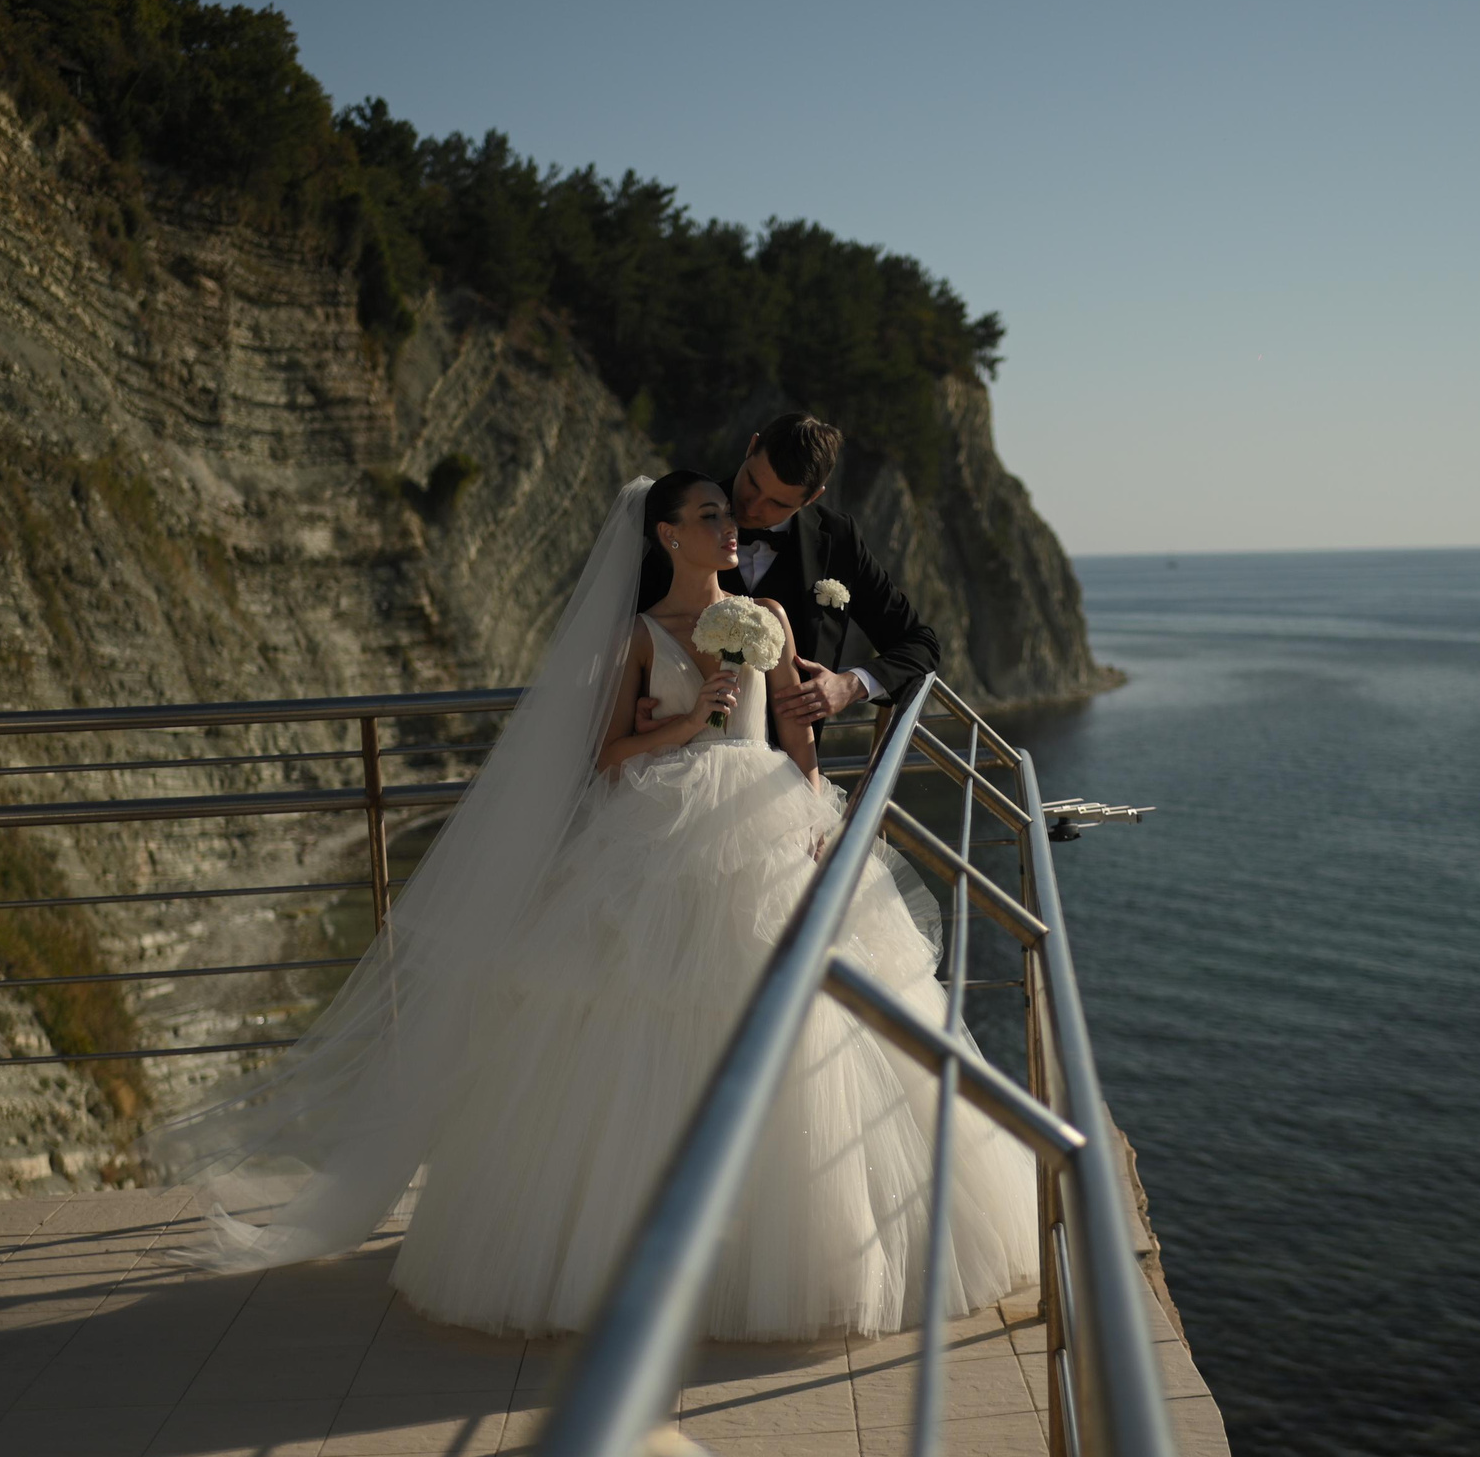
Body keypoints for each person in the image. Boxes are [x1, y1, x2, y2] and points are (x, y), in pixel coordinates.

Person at [148, 473, 1035, 1340]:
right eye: (710, 516)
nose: (731, 526)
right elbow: (608, 754)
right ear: (668, 535)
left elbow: (797, 735)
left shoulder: (767, 615)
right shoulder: (639, 636)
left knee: (806, 1012)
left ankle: (804, 1242)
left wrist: (819, 817)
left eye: (727, 515)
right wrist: (692, 719)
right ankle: (628, 1245)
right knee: (645, 1016)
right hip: (662, 826)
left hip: (768, 821)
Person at [636, 413, 940, 736]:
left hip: (791, 762)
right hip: (674, 753)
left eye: (777, 503)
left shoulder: (839, 541)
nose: (752, 507)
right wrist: (630, 712)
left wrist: (851, 685)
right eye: (753, 483)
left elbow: (920, 644)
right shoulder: (679, 515)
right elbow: (624, 634)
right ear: (751, 447)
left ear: (813, 497)